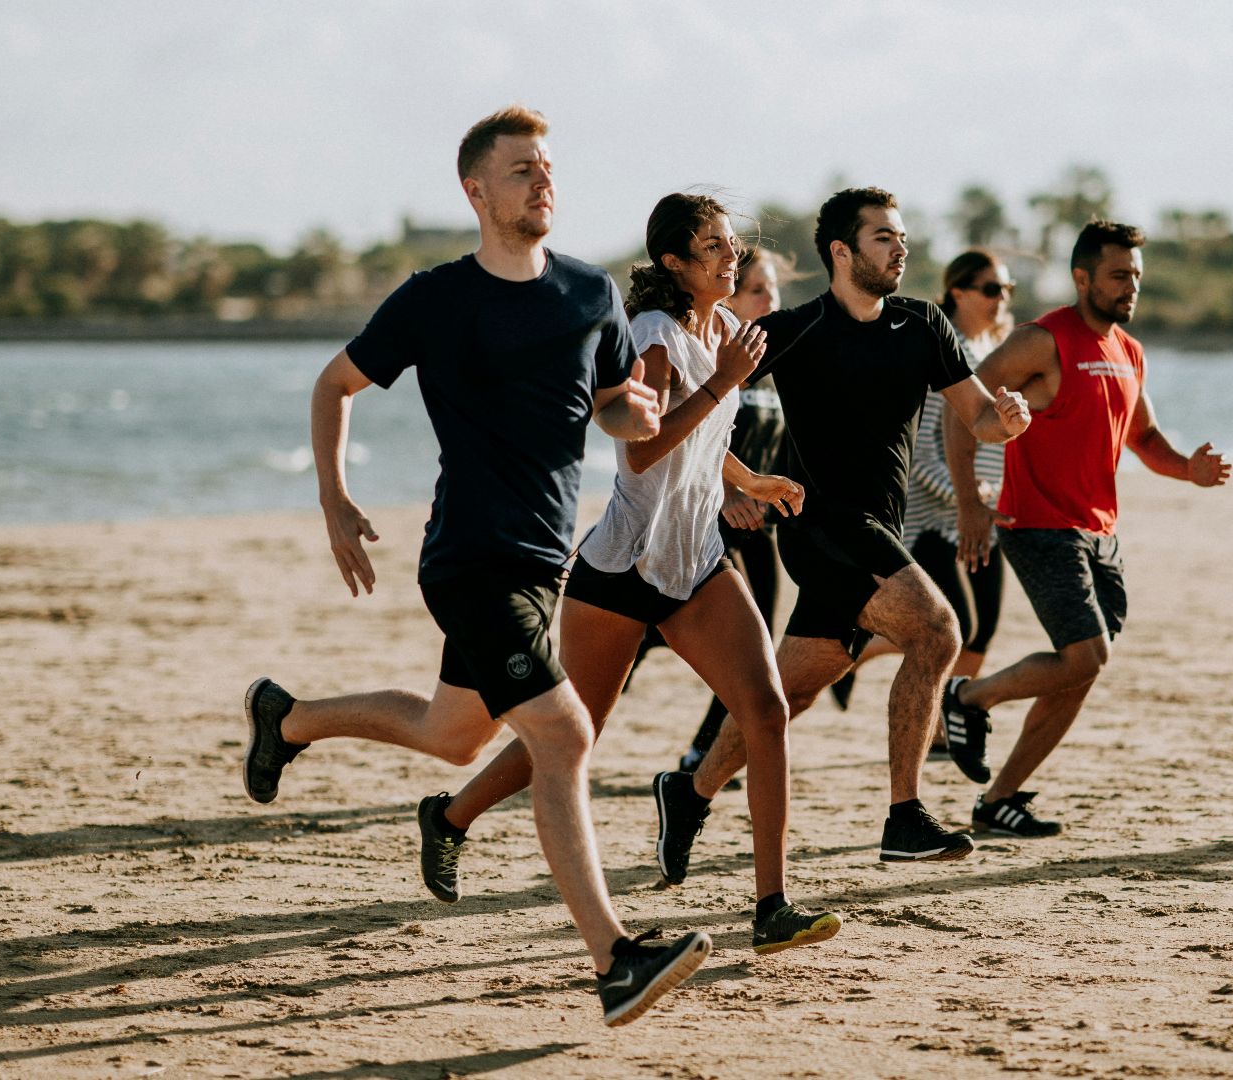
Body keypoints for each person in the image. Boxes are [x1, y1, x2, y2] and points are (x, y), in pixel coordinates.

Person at [236, 106, 709, 1027]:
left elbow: (614, 403)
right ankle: (615, 958)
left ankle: (286, 719)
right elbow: (334, 384)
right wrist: (332, 498)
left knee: (453, 737)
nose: (543, 181)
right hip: (468, 559)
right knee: (565, 736)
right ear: (477, 191)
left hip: (543, 561)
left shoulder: (589, 293)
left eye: (547, 167)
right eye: (522, 169)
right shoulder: (435, 298)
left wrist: (637, 417)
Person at [418, 193, 841, 956]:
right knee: (573, 733)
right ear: (675, 264)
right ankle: (450, 816)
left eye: (730, 243)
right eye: (711, 247)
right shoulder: (652, 336)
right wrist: (723, 382)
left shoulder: (722, 332)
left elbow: (702, 440)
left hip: (695, 562)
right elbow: (642, 450)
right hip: (621, 567)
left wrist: (749, 482)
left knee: (767, 710)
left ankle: (771, 906)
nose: (729, 256)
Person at [651, 188, 1031, 882]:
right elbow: (700, 407)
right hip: (822, 526)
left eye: (901, 236)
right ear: (841, 252)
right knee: (937, 631)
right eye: (883, 237)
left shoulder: (923, 326)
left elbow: (978, 419)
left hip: (877, 529)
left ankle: (689, 790)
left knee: (787, 695)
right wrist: (735, 486)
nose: (900, 247)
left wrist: (1008, 419)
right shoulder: (796, 329)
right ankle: (904, 817)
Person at [938, 221, 1231, 838]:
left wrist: (1190, 471)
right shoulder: (1042, 340)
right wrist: (968, 501)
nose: (1131, 288)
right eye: (1119, 275)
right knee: (1085, 654)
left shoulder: (1129, 351)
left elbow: (1144, 438)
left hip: (1100, 532)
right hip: (1038, 524)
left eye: (1137, 277)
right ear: (1082, 278)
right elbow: (959, 408)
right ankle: (968, 698)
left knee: (1082, 668)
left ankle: (999, 801)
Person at [828, 252, 1018, 784]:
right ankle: (932, 725)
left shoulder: (993, 351)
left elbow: (996, 446)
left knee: (983, 631)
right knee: (960, 626)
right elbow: (923, 455)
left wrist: (996, 495)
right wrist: (968, 498)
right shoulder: (944, 348)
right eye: (989, 288)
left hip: (982, 513)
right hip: (935, 520)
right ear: (957, 291)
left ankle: (930, 710)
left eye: (1006, 289)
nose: (1000, 298)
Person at [673, 248, 793, 776]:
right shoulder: (717, 358)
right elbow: (689, 435)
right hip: (711, 523)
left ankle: (704, 746)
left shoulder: (774, 361)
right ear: (731, 297)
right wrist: (728, 492)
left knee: (755, 644)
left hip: (759, 528)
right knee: (711, 641)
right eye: (758, 291)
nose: (771, 302)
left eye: (774, 290)